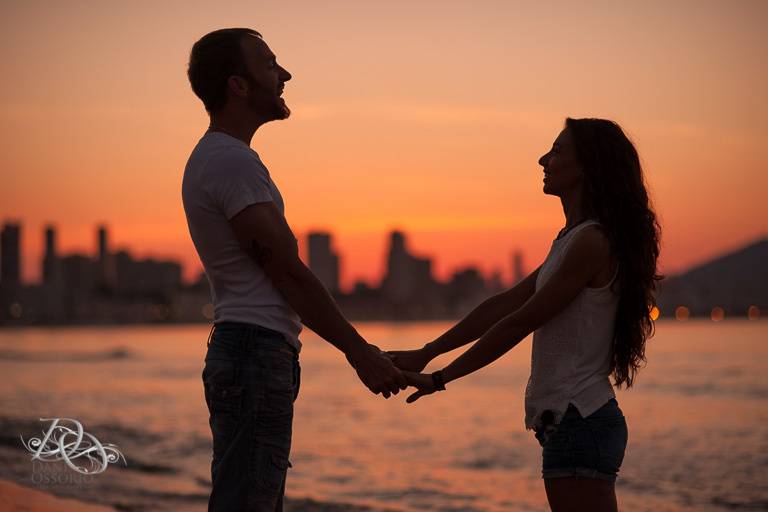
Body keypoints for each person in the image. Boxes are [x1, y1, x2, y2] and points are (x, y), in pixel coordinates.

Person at [182, 28, 407, 512]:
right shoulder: (230, 162)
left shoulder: (225, 159)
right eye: (270, 65)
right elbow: (288, 274)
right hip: (252, 353)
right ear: (238, 85)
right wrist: (360, 353)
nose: (284, 75)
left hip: (252, 351)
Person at [388, 118, 662, 512]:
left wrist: (439, 378)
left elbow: (521, 321)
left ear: (586, 165)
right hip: (570, 424)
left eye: (556, 151)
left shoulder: (591, 242)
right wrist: (427, 352)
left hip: (580, 420)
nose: (542, 160)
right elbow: (506, 304)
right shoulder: (571, 239)